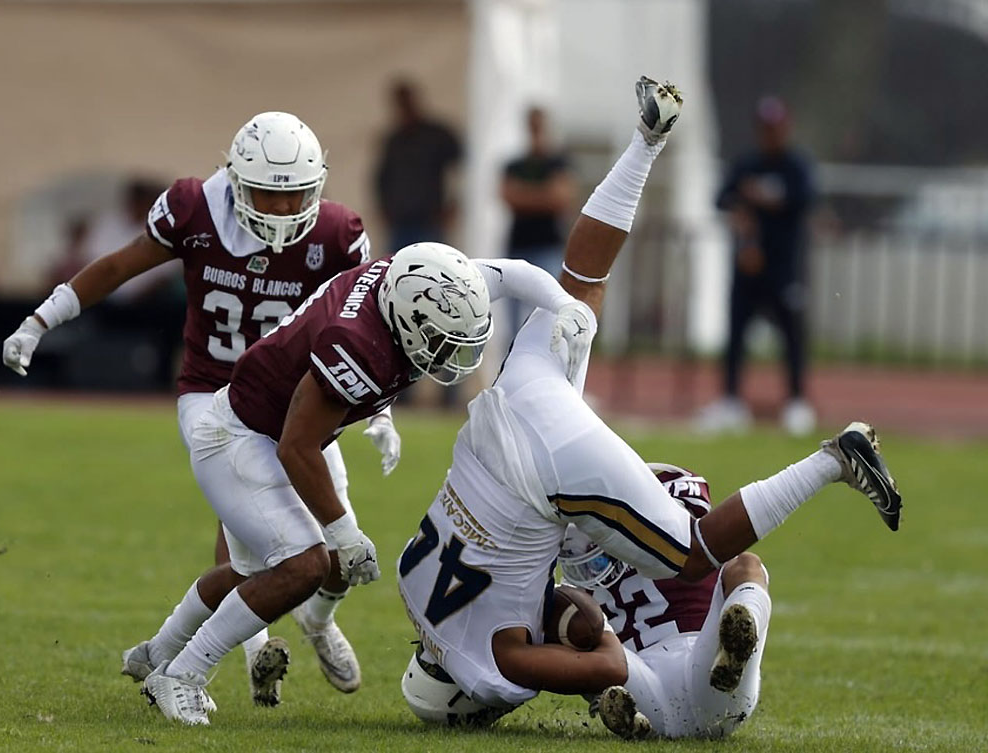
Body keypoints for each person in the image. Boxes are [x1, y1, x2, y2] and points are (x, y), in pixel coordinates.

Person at [396, 78, 902, 741]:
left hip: (547, 471)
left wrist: (568, 634)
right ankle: (648, 138)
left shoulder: (491, 668)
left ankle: (832, 461)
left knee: (691, 556)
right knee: (583, 280)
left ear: (466, 701)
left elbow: (599, 652)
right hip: (508, 408)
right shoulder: (412, 578)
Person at [1, 111, 399, 703]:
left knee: (333, 551)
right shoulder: (194, 210)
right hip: (213, 393)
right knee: (258, 535)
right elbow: (119, 265)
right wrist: (41, 318)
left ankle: (316, 623)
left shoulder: (337, 234)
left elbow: (366, 324)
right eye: (270, 195)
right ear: (237, 180)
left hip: (299, 398)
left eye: (296, 198)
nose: (285, 213)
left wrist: (381, 412)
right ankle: (234, 648)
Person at [120, 231, 595, 725]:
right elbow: (296, 446)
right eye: (437, 341)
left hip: (268, 429)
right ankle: (183, 674)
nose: (445, 354)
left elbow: (516, 271)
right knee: (304, 566)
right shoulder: (355, 341)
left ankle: (159, 652)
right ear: (408, 322)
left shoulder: (430, 281)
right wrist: (343, 533)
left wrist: (564, 305)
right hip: (240, 438)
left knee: (249, 576)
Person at [559, 464, 772, 740]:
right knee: (747, 565)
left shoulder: (579, 585)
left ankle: (623, 710)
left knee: (579, 629)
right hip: (716, 685)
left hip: (648, 686)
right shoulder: (686, 548)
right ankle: (742, 630)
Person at [698, 96, 818, 436]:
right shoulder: (747, 164)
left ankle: (796, 402)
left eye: (776, 127)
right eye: (765, 128)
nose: (770, 134)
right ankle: (732, 401)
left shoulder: (796, 166)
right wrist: (740, 209)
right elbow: (721, 197)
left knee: (792, 336)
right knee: (736, 334)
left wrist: (761, 198)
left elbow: (804, 199)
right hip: (747, 267)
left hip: (784, 268)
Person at [500, 106, 577, 333]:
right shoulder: (514, 164)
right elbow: (507, 196)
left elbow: (561, 199)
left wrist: (524, 196)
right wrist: (543, 195)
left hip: (547, 246)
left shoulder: (558, 162)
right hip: (519, 246)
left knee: (549, 315)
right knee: (514, 322)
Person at [374, 78, 463, 253]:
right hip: (400, 223)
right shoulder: (393, 140)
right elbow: (381, 179)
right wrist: (384, 210)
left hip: (430, 219)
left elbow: (460, 170)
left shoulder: (437, 135)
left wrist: (454, 203)